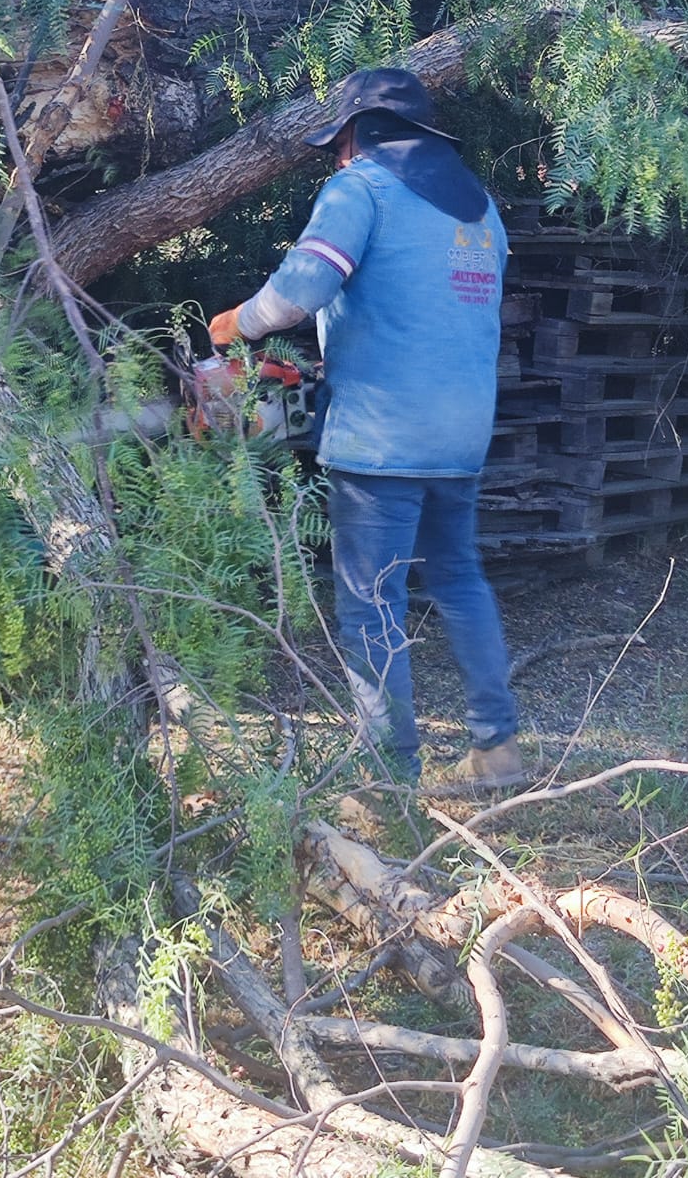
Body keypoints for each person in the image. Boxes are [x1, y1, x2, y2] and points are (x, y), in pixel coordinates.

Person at [208, 67, 524, 791]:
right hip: (461, 431)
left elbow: (300, 290)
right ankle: (497, 750)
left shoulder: (361, 188)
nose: (339, 156)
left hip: (382, 437)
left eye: (340, 142)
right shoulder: (478, 208)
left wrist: (236, 324)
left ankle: (389, 782)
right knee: (459, 579)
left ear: (356, 135)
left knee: (370, 602)